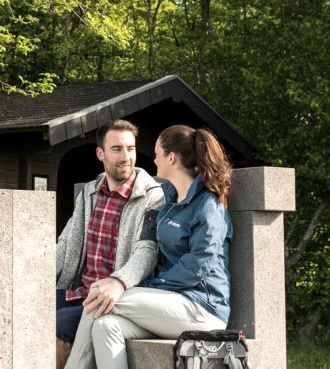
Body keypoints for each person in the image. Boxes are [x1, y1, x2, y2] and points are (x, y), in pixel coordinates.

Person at [64, 124, 233, 369]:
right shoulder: (168, 199)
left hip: (202, 308)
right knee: (105, 325)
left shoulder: (208, 205)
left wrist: (152, 285)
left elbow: (199, 264)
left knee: (99, 297)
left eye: (156, 154)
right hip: (168, 303)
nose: (152, 159)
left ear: (171, 158)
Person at [54, 119, 165, 369]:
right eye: (117, 149)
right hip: (78, 291)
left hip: (114, 299)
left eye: (130, 148)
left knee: (58, 323)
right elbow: (66, 243)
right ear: (100, 153)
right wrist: (31, 277)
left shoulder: (152, 196)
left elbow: (147, 252)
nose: (126, 156)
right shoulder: (91, 192)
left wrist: (119, 281)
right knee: (25, 307)